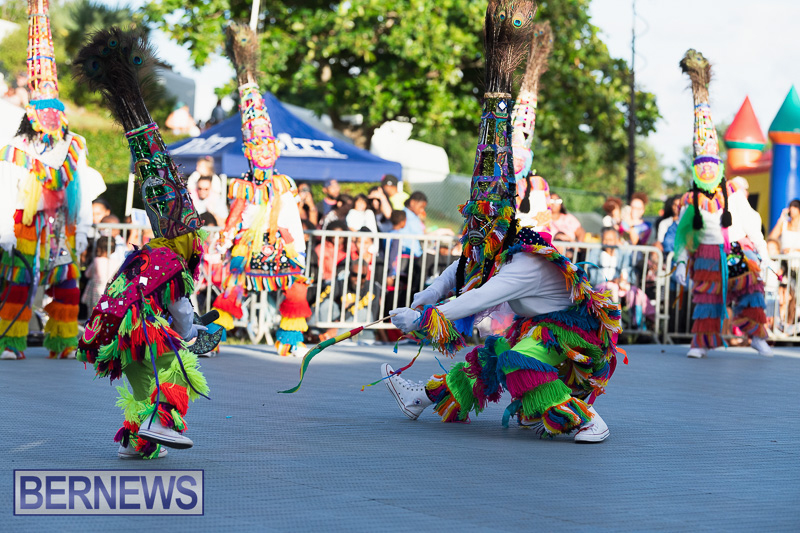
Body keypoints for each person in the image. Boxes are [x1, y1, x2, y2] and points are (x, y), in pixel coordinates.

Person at [380, 3, 621, 443]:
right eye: (471, 214)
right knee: (494, 353)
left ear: (503, 221)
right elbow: (461, 274)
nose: (473, 224)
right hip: (543, 327)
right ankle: (424, 398)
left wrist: (420, 320)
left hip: (578, 340)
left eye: (482, 217)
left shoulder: (523, 264)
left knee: (514, 357)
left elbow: (478, 298)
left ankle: (586, 418)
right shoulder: (496, 251)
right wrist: (425, 296)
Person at [75, 27, 212, 459]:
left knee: (138, 380)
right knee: (177, 368)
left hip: (120, 331)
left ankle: (139, 441)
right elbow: (181, 312)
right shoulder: (173, 262)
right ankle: (159, 423)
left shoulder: (146, 253)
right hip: (145, 330)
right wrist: (193, 335)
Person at [0, 0, 106, 360]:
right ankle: (11, 342)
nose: (49, 116)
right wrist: (5, 234)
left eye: (54, 110)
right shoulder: (15, 148)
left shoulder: (76, 146)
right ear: (31, 112)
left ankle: (62, 341)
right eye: (42, 110)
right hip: (27, 228)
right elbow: (6, 192)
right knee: (19, 284)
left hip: (63, 227)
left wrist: (86, 229)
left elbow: (84, 189)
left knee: (65, 285)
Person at [213, 23, 310, 356]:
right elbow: (235, 217)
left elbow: (292, 215)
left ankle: (290, 338)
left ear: (276, 150)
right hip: (247, 243)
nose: (265, 152)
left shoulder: (284, 184)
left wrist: (297, 245)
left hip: (279, 241)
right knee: (233, 287)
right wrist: (225, 239)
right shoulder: (243, 185)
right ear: (249, 152)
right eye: (259, 147)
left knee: (296, 287)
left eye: (269, 146)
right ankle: (215, 335)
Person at [673, 49, 772, 358]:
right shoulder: (693, 199)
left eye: (710, 164)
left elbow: (753, 225)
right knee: (707, 300)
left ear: (717, 166)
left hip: (736, 250)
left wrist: (765, 255)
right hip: (706, 255)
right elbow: (682, 232)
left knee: (750, 291)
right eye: (700, 165)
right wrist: (678, 260)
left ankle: (758, 337)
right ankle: (699, 344)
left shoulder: (732, 193)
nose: (705, 170)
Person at [510, 21, 553, 233]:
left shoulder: (537, 184)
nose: (516, 161)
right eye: (513, 155)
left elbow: (544, 223)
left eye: (520, 156)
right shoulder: (496, 180)